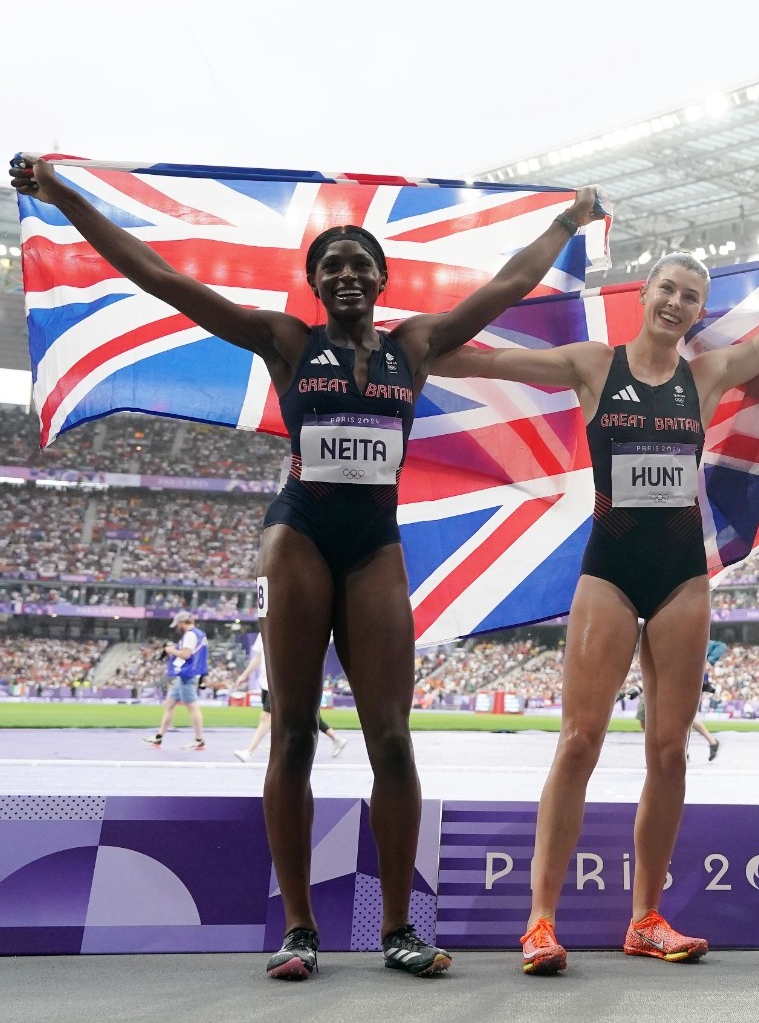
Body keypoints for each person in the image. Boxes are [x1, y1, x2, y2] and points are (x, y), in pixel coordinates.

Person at [12, 153, 605, 981]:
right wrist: (65, 196)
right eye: (332, 266)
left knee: (391, 737)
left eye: (361, 263)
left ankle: (399, 926)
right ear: (315, 285)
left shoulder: (417, 345)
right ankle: (300, 928)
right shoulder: (283, 341)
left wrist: (567, 222)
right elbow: (158, 274)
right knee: (291, 732)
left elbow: (508, 285)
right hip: (296, 537)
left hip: (375, 545)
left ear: (382, 277)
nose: (347, 273)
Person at [435, 237, 759, 975]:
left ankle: (646, 917)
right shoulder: (594, 365)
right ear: (645, 293)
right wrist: (403, 352)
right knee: (580, 741)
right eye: (668, 289)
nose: (677, 302)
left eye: (691, 296)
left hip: (683, 574)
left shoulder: (708, 373)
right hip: (611, 568)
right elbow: (489, 363)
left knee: (668, 751)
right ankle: (539, 921)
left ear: (698, 311)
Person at [234, 632, 348, 761]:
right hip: (265, 682)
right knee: (303, 715)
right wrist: (244, 676)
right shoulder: (264, 633)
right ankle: (335, 738)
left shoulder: (287, 631)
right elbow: (258, 658)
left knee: (266, 717)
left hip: (281, 682)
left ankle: (249, 751)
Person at [144, 611, 208, 749]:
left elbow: (186, 654)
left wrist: (171, 650)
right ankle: (159, 737)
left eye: (178, 624)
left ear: (182, 623)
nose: (177, 628)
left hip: (187, 676)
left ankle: (199, 740)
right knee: (169, 704)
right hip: (186, 676)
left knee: (192, 707)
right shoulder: (199, 633)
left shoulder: (190, 635)